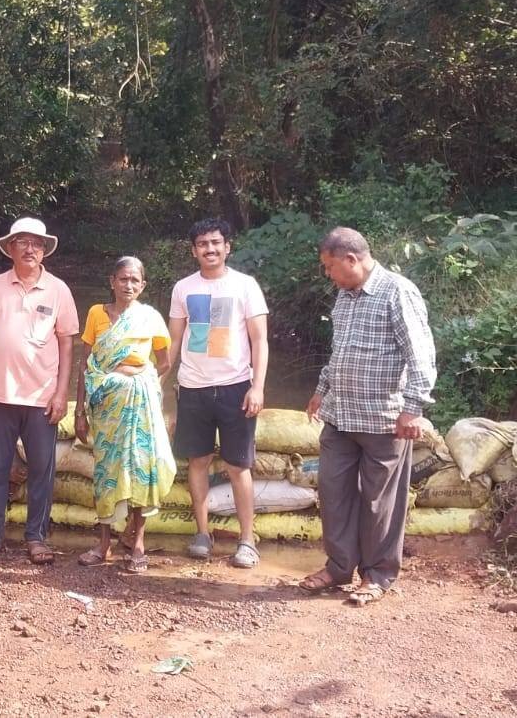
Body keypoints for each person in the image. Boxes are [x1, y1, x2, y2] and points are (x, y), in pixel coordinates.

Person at [300, 227, 437, 605]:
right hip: (340, 415)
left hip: (383, 420)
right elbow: (339, 351)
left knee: (379, 503)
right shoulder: (344, 297)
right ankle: (339, 567)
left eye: (330, 266)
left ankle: (377, 575)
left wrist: (413, 408)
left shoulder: (397, 292)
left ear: (351, 259)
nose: (327, 274)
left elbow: (421, 354)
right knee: (333, 493)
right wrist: (322, 389)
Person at [0, 217, 78, 566]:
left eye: (37, 243)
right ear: (10, 248)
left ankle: (36, 537)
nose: (30, 249)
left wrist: (61, 393)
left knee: (42, 470)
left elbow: (67, 344)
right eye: (23, 242)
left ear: (44, 250)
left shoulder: (58, 289)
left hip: (42, 397)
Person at [167, 217, 269, 568]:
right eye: (202, 244)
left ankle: (247, 540)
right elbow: (174, 340)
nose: (209, 249)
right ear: (193, 251)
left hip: (235, 387)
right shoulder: (183, 288)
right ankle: (202, 533)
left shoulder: (245, 286)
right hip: (193, 387)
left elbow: (259, 340)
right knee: (198, 461)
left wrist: (257, 386)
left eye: (215, 243)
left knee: (238, 465)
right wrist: (157, 378)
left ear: (227, 247)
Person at [73, 256, 175, 573]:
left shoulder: (150, 317)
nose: (128, 285)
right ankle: (103, 544)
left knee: (140, 469)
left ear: (143, 285)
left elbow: (164, 363)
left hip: (139, 406)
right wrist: (79, 411)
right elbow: (86, 364)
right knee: (106, 472)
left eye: (134, 280)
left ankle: (137, 543)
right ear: (112, 282)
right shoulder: (96, 314)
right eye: (123, 279)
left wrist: (143, 382)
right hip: (106, 408)